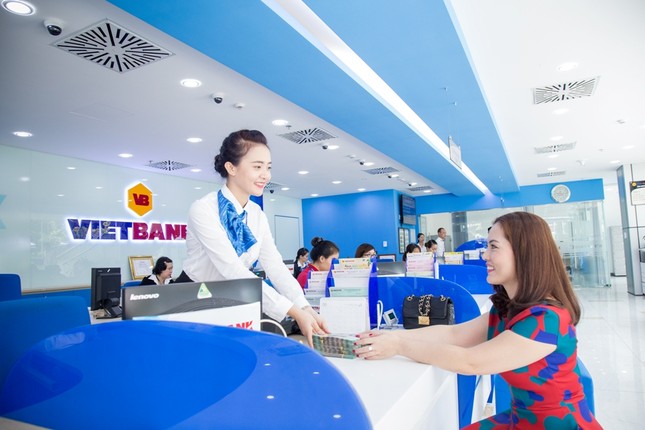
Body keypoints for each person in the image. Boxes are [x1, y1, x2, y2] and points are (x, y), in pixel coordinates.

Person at [355, 212, 602, 429]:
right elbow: (454, 335)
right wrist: (392, 336)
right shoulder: (510, 310)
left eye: (494, 247)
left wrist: (399, 345)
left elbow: (470, 362)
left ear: (524, 253)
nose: (485, 255)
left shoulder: (546, 319)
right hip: (522, 420)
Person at [177, 129, 329, 346]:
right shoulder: (203, 209)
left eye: (268, 167)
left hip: (233, 298)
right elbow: (232, 270)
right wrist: (295, 312)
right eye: (257, 167)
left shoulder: (256, 214)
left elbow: (275, 266)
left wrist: (305, 307)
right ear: (231, 168)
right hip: (191, 300)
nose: (266, 175)